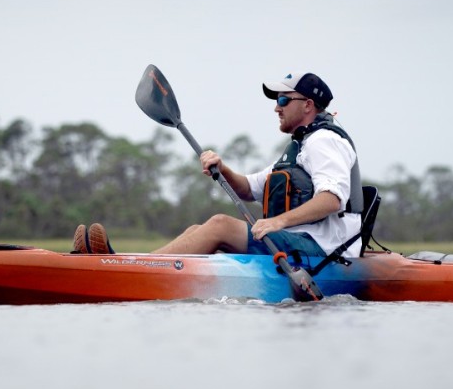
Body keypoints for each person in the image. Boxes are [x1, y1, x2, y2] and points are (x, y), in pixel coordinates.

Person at [73, 72, 363, 259]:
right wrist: (222, 168)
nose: (277, 106)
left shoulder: (325, 141)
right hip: (303, 239)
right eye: (277, 99)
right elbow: (250, 189)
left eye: (284, 99)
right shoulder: (300, 146)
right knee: (196, 230)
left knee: (219, 225)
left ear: (308, 105)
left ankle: (129, 267)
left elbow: (332, 199)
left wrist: (278, 222)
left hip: (326, 249)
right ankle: (129, 262)